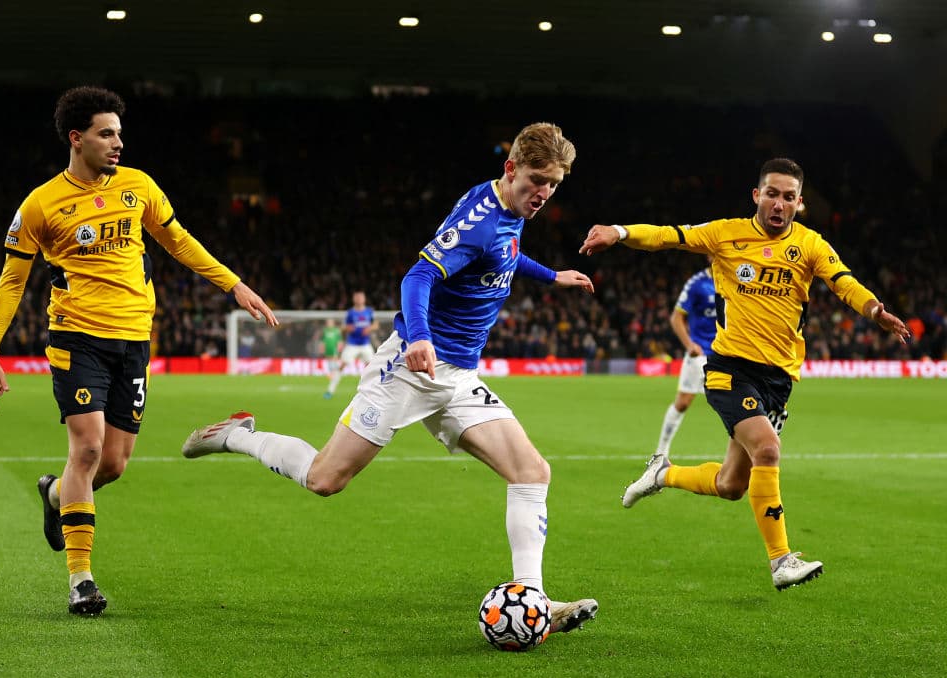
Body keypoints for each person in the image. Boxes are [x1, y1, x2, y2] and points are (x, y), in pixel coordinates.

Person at [183, 122, 600, 634]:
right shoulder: (479, 221)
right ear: (511, 168)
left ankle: (532, 600)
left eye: (554, 184)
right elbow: (418, 275)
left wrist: (551, 275)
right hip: (407, 368)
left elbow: (506, 257)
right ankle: (237, 436)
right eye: (538, 179)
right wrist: (420, 336)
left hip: (458, 376)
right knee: (324, 479)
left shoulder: (508, 208)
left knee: (532, 473)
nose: (545, 193)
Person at [0, 86, 277, 616]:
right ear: (77, 138)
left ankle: (53, 495)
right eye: (106, 133)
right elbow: (12, 279)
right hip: (77, 339)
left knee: (111, 465)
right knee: (88, 449)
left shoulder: (138, 186)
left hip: (134, 340)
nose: (119, 142)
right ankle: (81, 580)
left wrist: (234, 284)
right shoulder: (40, 204)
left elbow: (179, 240)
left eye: (119, 132)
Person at [579, 157, 910, 590]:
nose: (779, 203)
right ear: (757, 195)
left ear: (799, 203)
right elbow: (668, 237)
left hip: (778, 379)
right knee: (768, 450)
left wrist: (874, 309)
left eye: (788, 197)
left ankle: (662, 474)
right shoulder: (726, 234)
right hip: (729, 368)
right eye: (771, 193)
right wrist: (620, 233)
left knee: (732, 484)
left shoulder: (810, 245)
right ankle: (781, 561)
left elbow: (842, 280)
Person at [654, 256, 716, 457]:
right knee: (683, 402)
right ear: (710, 256)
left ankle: (742, 457)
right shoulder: (698, 283)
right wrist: (689, 344)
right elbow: (676, 317)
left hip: (727, 355)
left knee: (735, 404)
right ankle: (661, 452)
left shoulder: (738, 280)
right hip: (701, 354)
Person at [324, 291, 377, 399]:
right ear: (354, 299)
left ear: (364, 299)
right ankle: (330, 390)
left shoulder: (369, 311)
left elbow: (375, 324)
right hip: (352, 344)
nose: (359, 299)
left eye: (361, 297)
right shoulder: (350, 313)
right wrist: (348, 328)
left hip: (365, 344)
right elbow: (343, 328)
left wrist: (370, 328)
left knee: (373, 367)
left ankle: (373, 392)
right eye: (357, 297)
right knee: (342, 366)